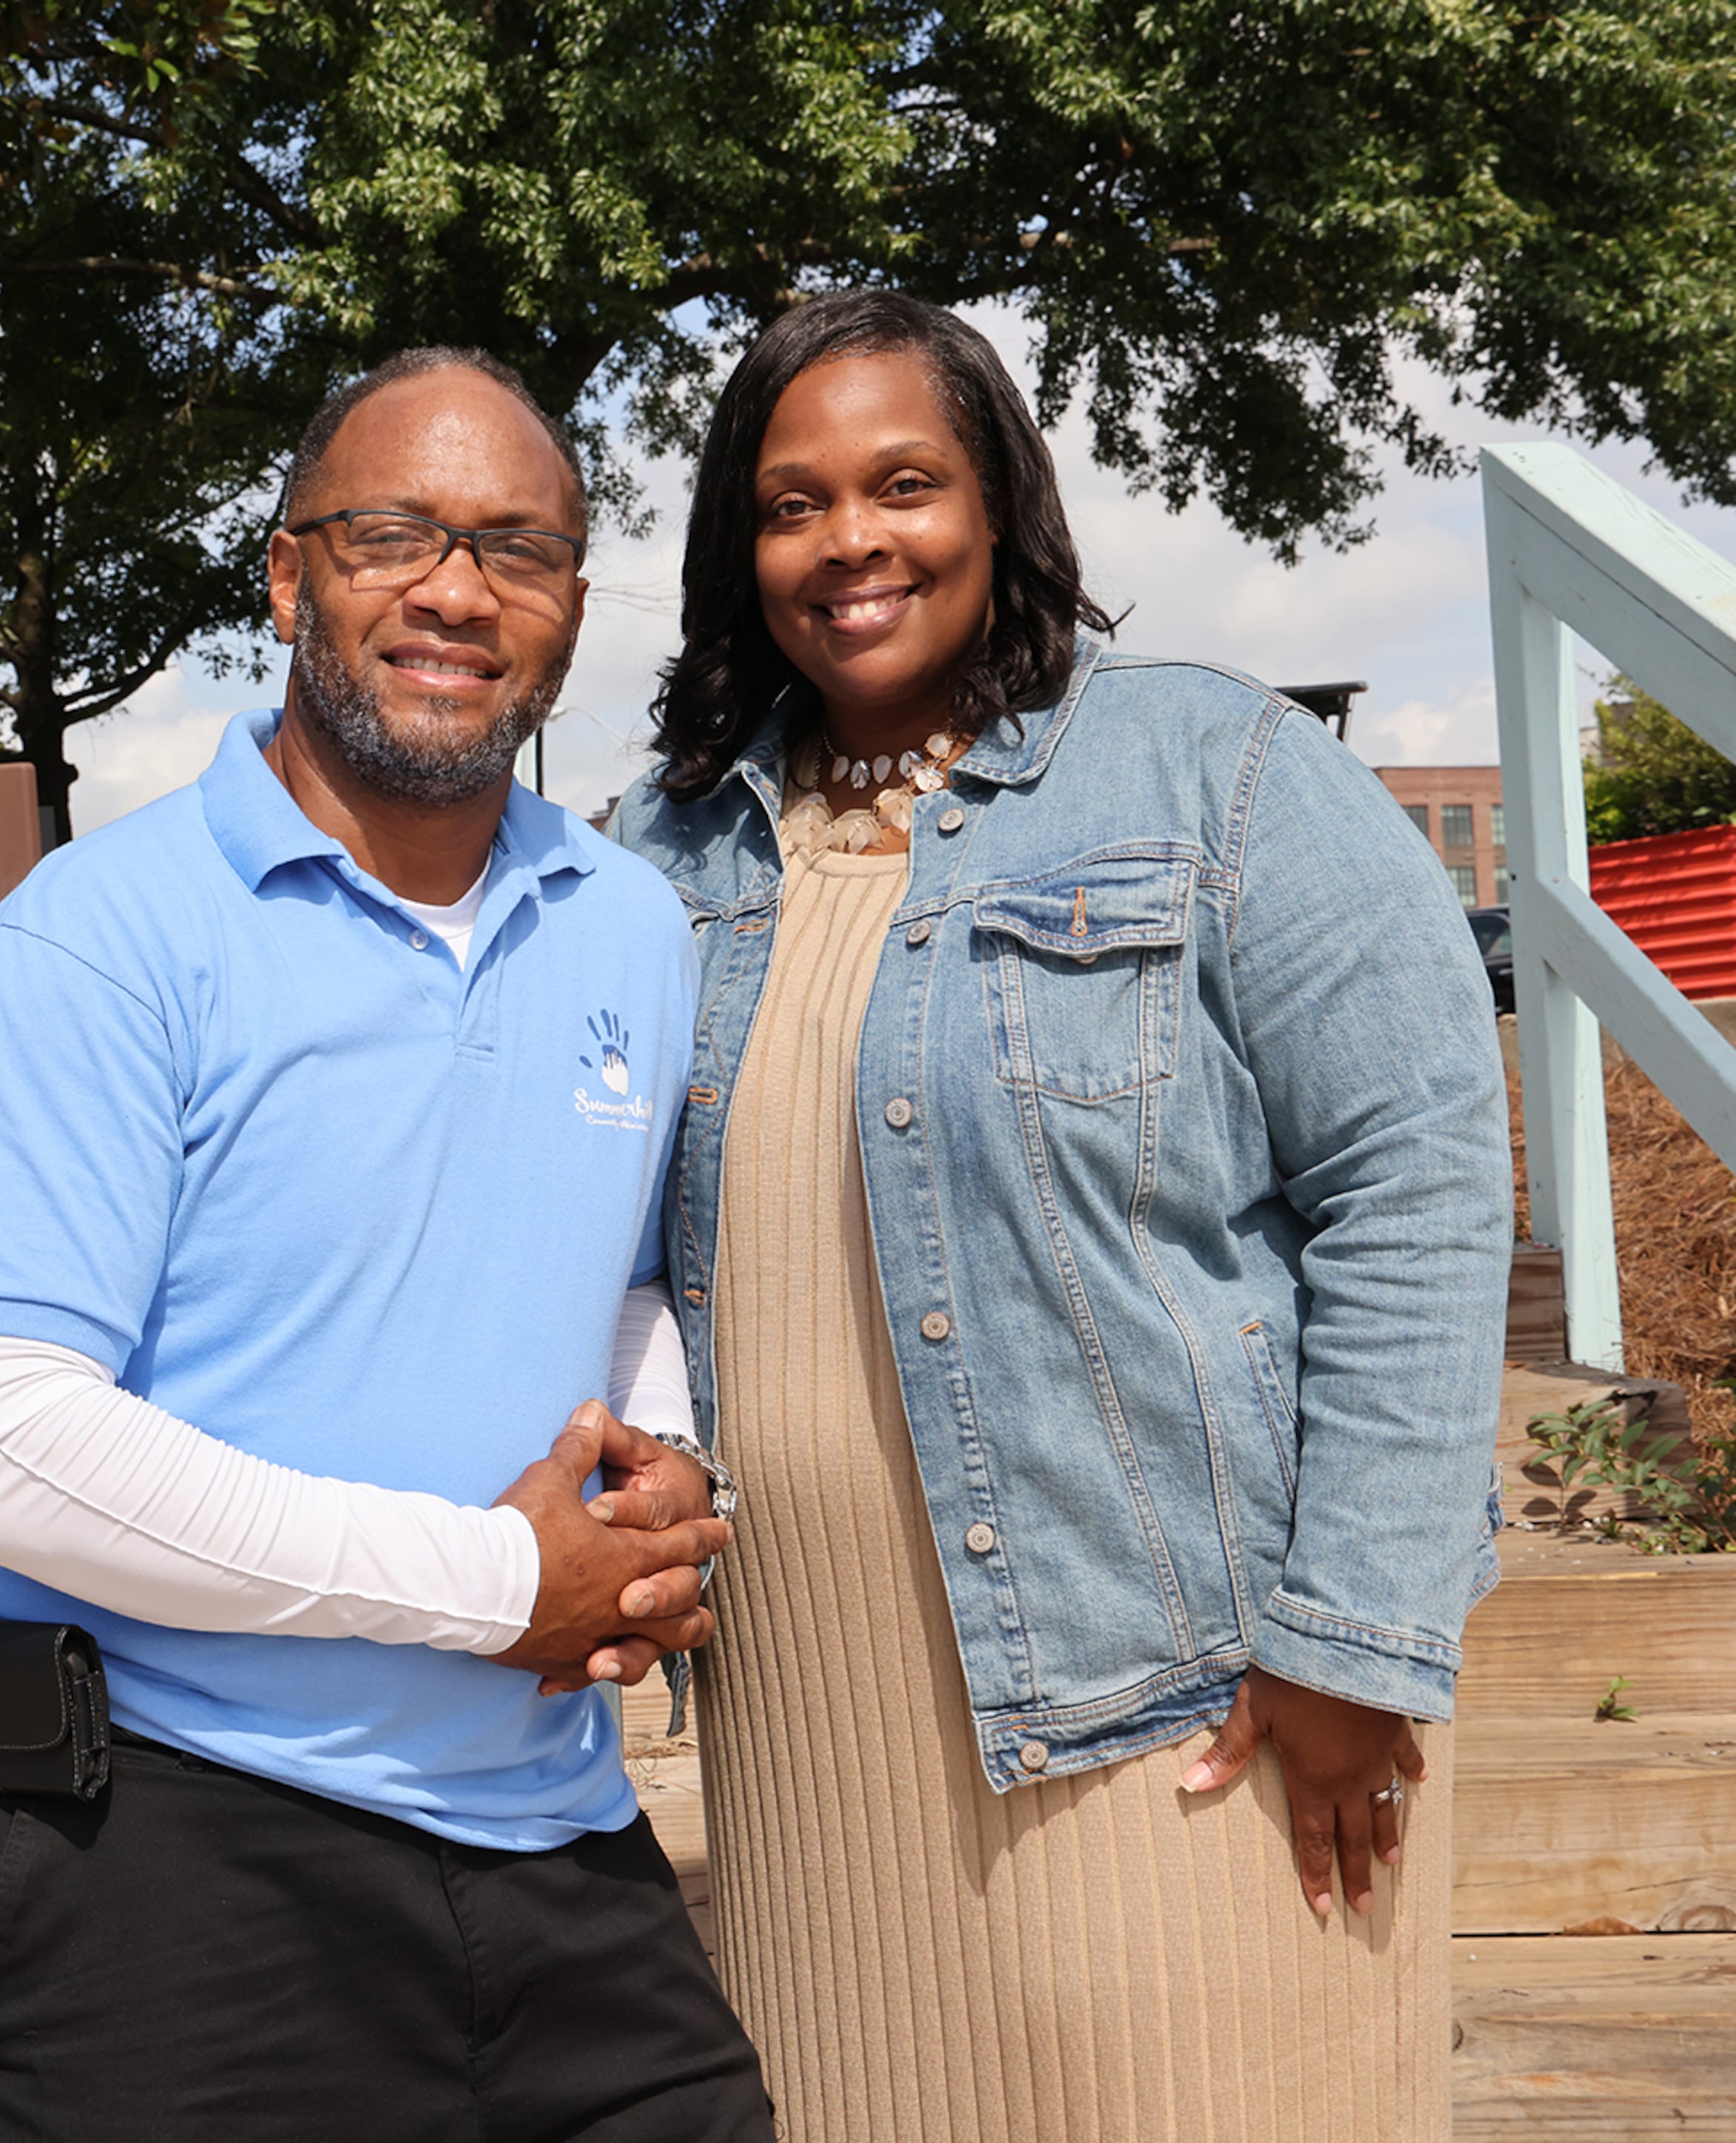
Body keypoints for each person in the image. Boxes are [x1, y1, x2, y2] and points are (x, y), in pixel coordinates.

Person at [610, 291, 1513, 2143]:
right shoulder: (667, 847)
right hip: (808, 1738)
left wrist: (1352, 1637)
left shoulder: (1210, 769)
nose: (851, 539)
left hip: (1177, 1713)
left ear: (1001, 503)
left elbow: (1414, 1183)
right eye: (792, 504)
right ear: (738, 548)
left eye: (905, 483)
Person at [0, 347, 773, 2142]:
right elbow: (0, 1451)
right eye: (394, 536)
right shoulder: (97, 944)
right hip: (156, 1851)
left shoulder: (630, 927)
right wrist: (496, 1583)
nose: (455, 587)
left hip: (551, 1838)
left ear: (571, 613)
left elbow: (602, 1286)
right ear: (288, 578)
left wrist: (655, 1465)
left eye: (516, 548)